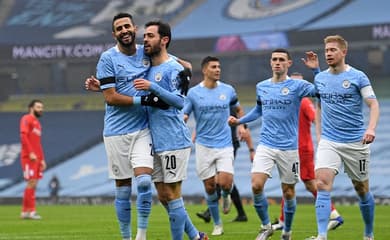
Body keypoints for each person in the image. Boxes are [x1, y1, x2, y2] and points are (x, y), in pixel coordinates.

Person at [86, 13, 172, 240]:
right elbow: (111, 98)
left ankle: (141, 235)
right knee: (123, 189)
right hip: (115, 132)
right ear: (114, 34)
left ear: (135, 28)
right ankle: (126, 237)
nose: (124, 30)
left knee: (144, 182)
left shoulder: (146, 52)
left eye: (127, 26)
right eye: (119, 28)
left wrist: (185, 65)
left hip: (143, 129)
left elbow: (171, 62)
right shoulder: (107, 58)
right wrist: (142, 100)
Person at [228, 48, 316, 240]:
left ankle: (287, 231)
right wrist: (240, 121)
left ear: (288, 64)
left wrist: (316, 70)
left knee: (289, 191)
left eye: (281, 59)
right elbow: (259, 110)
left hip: (289, 149)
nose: (277, 62)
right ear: (270, 62)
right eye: (274, 59)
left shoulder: (298, 85)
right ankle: (266, 226)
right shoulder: (262, 86)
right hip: (266, 145)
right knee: (256, 185)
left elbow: (319, 91)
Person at [133, 20, 207, 240]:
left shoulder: (173, 68)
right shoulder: (146, 67)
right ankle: (195, 236)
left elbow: (178, 101)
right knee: (164, 196)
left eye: (150, 36)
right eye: (144, 36)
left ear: (164, 40)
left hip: (174, 139)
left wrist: (153, 86)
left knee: (174, 196)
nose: (145, 39)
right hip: (154, 140)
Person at [304, 35, 379, 240]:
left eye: (332, 50)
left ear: (343, 52)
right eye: (326, 50)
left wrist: (371, 129)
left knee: (362, 189)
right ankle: (321, 235)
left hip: (356, 142)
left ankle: (369, 233)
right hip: (330, 141)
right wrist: (319, 134)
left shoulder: (359, 77)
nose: (328, 53)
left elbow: (373, 104)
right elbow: (319, 106)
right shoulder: (319, 78)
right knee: (321, 183)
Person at [183, 56, 250, 235]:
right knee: (210, 187)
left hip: (225, 144)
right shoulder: (194, 93)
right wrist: (181, 125)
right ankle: (217, 224)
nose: (218, 69)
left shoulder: (228, 90)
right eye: (214, 67)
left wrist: (242, 125)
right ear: (205, 70)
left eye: (219, 66)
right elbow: (185, 115)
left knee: (225, 182)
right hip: (204, 145)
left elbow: (238, 109)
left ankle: (226, 195)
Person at [272, 71, 344, 232]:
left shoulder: (303, 102)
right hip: (293, 147)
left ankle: (333, 214)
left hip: (301, 149)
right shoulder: (289, 101)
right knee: (294, 183)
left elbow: (315, 118)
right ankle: (333, 214)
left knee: (293, 183)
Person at [194, 70, 255, 225]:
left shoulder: (228, 101)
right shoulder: (210, 106)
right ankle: (238, 212)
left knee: (221, 179)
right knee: (222, 180)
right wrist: (195, 134)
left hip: (228, 143)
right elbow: (204, 123)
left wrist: (243, 129)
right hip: (209, 144)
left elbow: (241, 113)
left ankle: (212, 210)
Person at [20, 99, 46, 220]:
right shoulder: (26, 119)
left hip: (36, 158)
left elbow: (38, 143)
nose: (41, 109)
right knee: (31, 182)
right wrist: (30, 153)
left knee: (33, 184)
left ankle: (25, 211)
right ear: (31, 108)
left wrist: (42, 159)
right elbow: (23, 135)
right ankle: (31, 211)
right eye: (38, 107)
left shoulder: (37, 123)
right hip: (28, 157)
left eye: (42, 107)